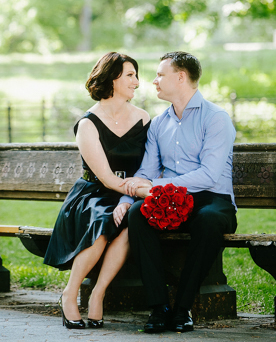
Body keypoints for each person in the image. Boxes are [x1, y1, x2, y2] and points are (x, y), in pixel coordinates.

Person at [122, 51, 237, 334]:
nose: (154, 80)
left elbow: (209, 175)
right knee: (137, 215)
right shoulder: (159, 124)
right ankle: (159, 307)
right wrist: (127, 198)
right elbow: (146, 171)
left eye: (160, 74)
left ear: (181, 77)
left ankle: (183, 308)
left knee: (208, 221)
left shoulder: (216, 118)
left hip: (213, 200)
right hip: (172, 202)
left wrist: (157, 187)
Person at [43, 52, 150, 330]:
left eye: (136, 75)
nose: (137, 82)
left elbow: (150, 166)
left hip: (128, 195)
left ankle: (98, 293)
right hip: (93, 194)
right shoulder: (88, 124)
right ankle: (70, 293)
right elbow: (106, 178)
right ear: (112, 78)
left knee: (131, 224)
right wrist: (140, 192)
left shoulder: (143, 118)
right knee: (103, 221)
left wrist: (130, 199)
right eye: (130, 75)